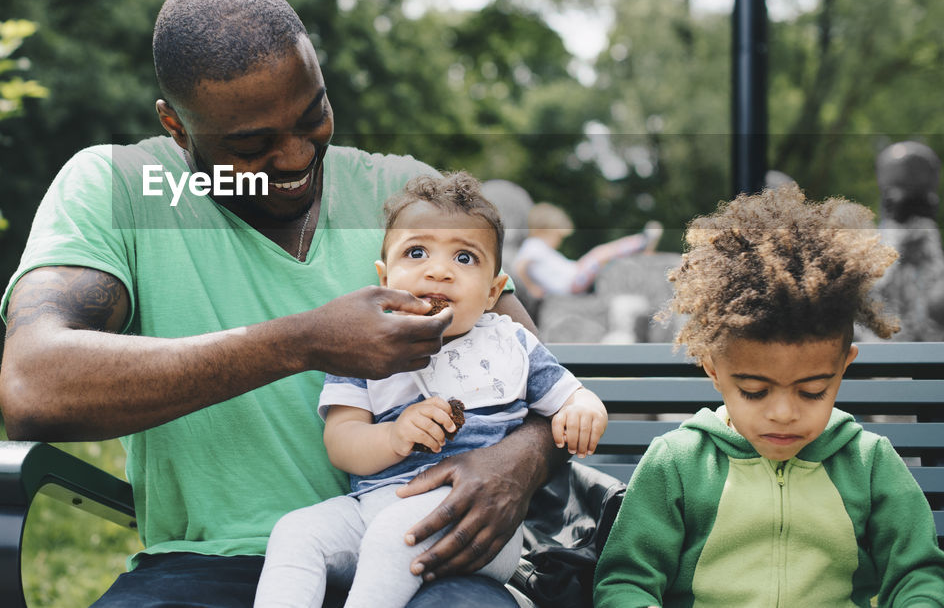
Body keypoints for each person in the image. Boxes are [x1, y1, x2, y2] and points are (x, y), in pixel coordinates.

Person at [0, 0, 568, 608]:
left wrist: (518, 463)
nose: (296, 157)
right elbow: (33, 385)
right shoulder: (121, 189)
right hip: (206, 568)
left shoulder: (407, 197)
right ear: (176, 127)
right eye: (252, 143)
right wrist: (302, 343)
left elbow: (532, 369)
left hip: (421, 555)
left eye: (312, 115)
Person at [254, 172, 608, 608]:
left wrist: (584, 408)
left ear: (494, 290)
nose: (439, 271)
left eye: (465, 258)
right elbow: (342, 443)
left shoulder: (510, 343)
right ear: (383, 276)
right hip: (372, 505)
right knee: (296, 532)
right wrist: (392, 436)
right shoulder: (362, 347)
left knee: (395, 534)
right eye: (417, 252)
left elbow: (570, 395)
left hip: (476, 525)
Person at [593, 184, 944, 607]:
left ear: (842, 367)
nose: (782, 413)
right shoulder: (677, 463)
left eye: (813, 392)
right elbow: (626, 582)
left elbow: (917, 578)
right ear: (712, 368)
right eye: (755, 392)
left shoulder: (869, 464)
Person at [511, 202, 661, 297]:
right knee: (600, 254)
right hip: (572, 281)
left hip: (574, 275)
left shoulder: (537, 247)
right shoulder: (534, 245)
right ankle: (641, 242)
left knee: (601, 254)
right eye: (557, 236)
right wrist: (532, 288)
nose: (558, 242)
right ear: (545, 230)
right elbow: (519, 266)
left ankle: (640, 244)